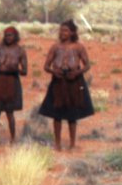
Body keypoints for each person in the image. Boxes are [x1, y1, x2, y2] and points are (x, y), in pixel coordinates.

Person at [38, 19, 94, 151]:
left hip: (74, 81)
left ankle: (72, 144)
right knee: (57, 114)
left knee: (72, 115)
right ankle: (57, 144)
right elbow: (46, 66)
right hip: (58, 81)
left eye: (66, 31)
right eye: (61, 30)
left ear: (72, 32)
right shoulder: (55, 47)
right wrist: (54, 72)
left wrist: (77, 73)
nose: (62, 33)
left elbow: (87, 65)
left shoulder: (79, 47)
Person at [0, 26, 28, 146]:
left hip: (12, 83)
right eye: (6, 35)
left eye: (10, 35)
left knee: (10, 113)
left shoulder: (20, 51)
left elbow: (25, 71)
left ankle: (13, 139)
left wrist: (15, 69)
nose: (8, 37)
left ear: (16, 36)